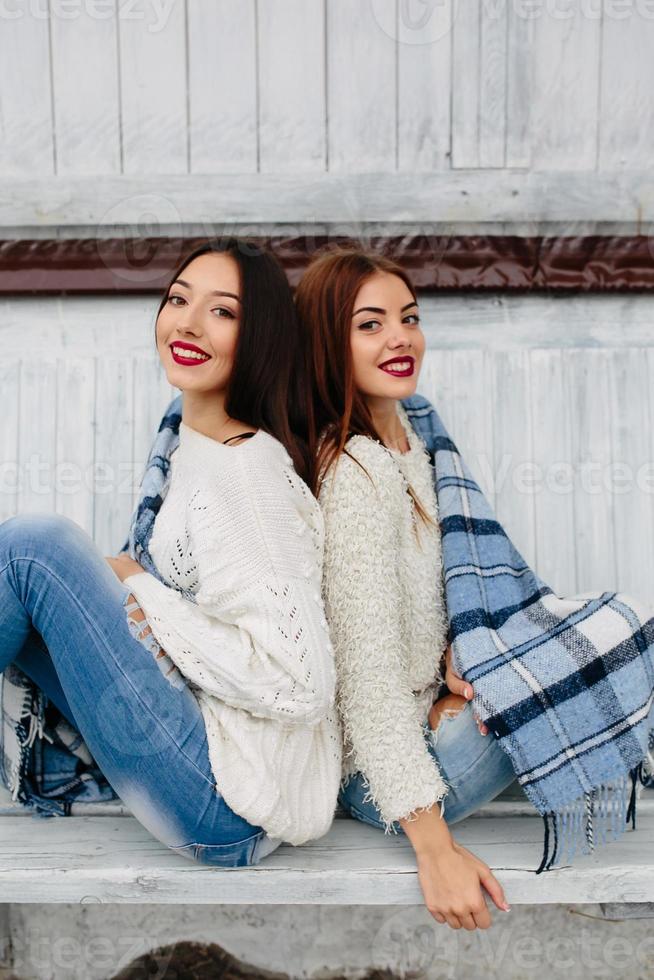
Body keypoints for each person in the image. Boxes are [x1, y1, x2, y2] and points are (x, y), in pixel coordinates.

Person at [0, 239, 342, 867]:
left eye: (222, 311)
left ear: (259, 337)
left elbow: (303, 683)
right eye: (178, 299)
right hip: (199, 756)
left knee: (33, 551)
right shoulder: (187, 450)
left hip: (231, 802)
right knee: (28, 588)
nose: (187, 321)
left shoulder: (247, 474)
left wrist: (145, 592)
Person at [295, 248, 516, 930]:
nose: (401, 337)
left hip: (435, 720)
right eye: (371, 324)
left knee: (583, 650)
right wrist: (435, 847)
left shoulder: (420, 442)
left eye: (409, 317)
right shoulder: (356, 470)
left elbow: (450, 598)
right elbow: (363, 678)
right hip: (387, 775)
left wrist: (462, 662)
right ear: (329, 343)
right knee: (594, 659)